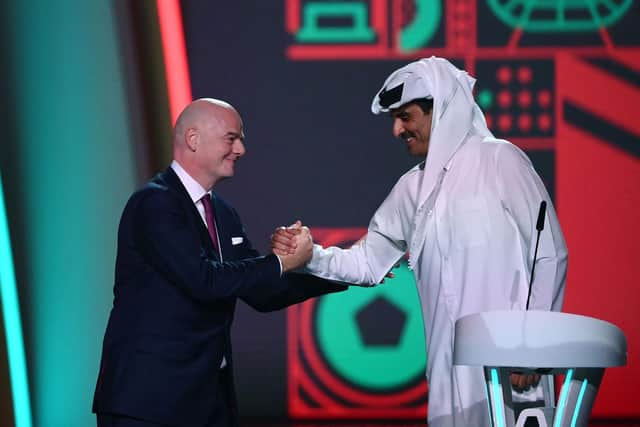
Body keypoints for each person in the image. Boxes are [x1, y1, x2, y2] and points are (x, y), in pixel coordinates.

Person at [272, 57, 568, 426]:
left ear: (440, 111)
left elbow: (550, 255)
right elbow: (367, 263)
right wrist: (310, 256)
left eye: (406, 117)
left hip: (512, 371)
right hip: (447, 379)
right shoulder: (412, 188)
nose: (397, 130)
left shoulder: (500, 160)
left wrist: (532, 348)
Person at [92, 98, 346, 427]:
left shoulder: (222, 212)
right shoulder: (154, 204)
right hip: (148, 403)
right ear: (193, 139)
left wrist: (342, 270)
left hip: (208, 402)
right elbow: (204, 280)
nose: (240, 149)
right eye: (231, 138)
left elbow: (262, 293)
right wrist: (281, 261)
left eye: (241, 139)